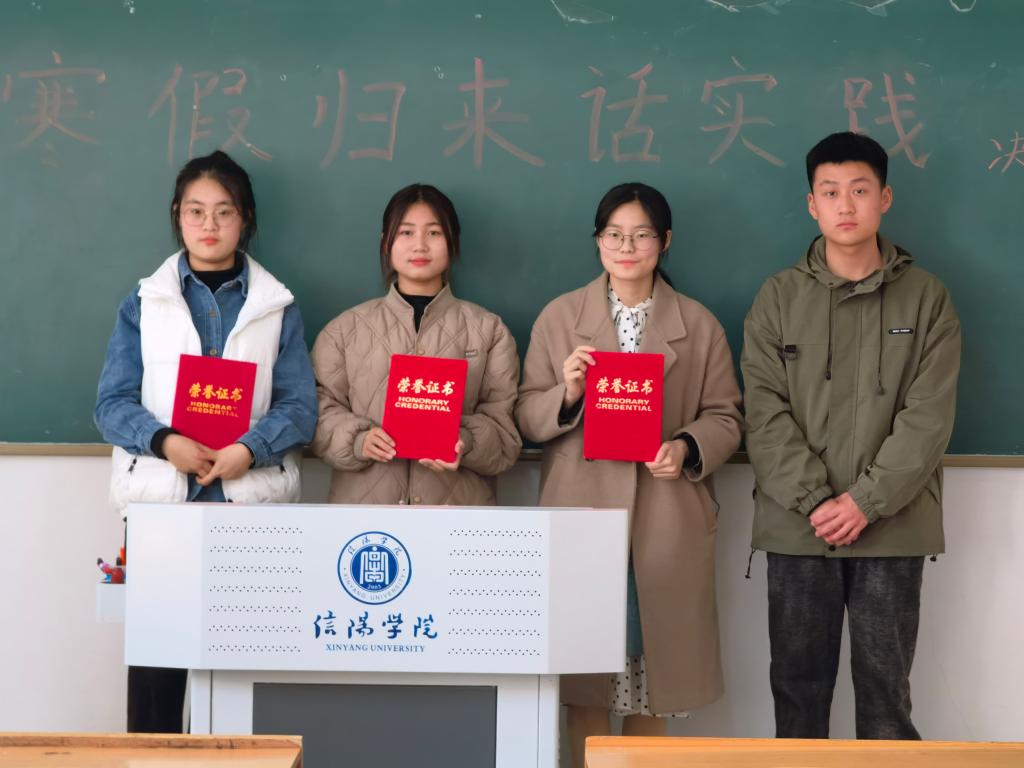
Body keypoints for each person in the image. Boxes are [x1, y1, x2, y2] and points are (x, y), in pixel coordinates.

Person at [741, 131, 961, 739]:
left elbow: (928, 418)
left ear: (884, 198)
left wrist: (864, 501)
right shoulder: (777, 298)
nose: (846, 205)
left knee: (887, 694)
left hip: (892, 525)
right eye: (831, 191)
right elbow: (763, 412)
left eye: (860, 190)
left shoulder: (928, 299)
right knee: (797, 693)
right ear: (811, 203)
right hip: (798, 526)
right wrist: (817, 501)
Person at [514, 182, 742, 768]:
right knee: (583, 678)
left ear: (664, 242)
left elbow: (726, 417)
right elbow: (525, 415)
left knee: (654, 678)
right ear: (597, 241)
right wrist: (567, 392)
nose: (627, 247)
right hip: (582, 516)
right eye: (614, 235)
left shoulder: (699, 324)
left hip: (665, 518)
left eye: (641, 235)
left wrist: (686, 447)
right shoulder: (560, 317)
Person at [94, 149, 317, 732]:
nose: (209, 224)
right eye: (195, 211)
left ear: (246, 219)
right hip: (162, 509)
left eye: (224, 211)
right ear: (178, 216)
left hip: (248, 505)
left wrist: (250, 449)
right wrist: (164, 441)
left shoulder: (277, 307)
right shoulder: (143, 304)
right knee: (156, 680)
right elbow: (110, 404)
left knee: (245, 677)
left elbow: (300, 408)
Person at [311, 183, 521, 505]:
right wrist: (357, 440)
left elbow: (505, 433)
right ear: (386, 243)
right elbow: (316, 412)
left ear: (453, 242)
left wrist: (465, 441)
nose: (420, 245)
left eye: (434, 233)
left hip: (456, 514)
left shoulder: (489, 330)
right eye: (406, 232)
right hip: (366, 519)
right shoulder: (343, 330)